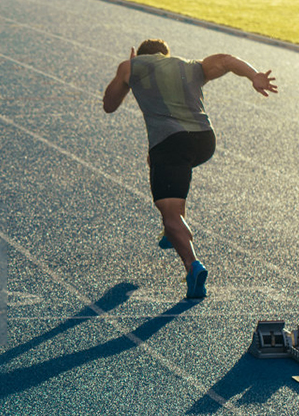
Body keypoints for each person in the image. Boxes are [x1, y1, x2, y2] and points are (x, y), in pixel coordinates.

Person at [102, 39, 277, 299]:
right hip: (204, 141)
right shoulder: (190, 66)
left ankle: (192, 264)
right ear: (166, 55)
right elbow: (226, 60)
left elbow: (109, 104)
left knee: (171, 213)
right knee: (162, 167)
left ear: (140, 55)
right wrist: (254, 75)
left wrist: (128, 72)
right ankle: (171, 230)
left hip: (171, 144)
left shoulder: (131, 66)